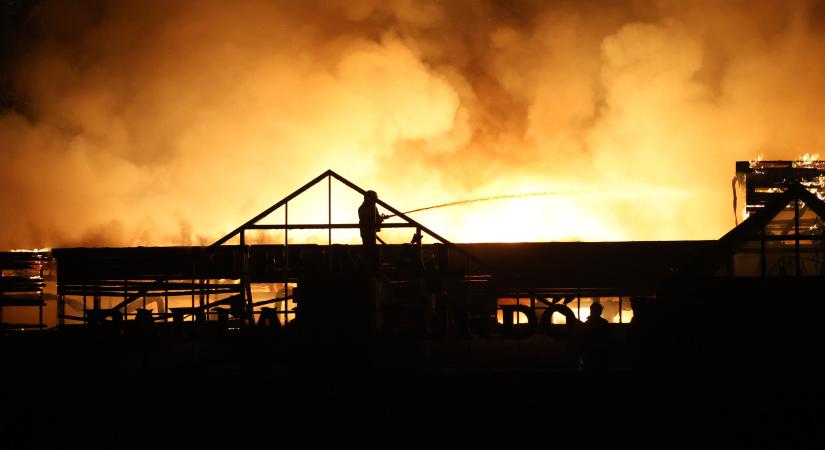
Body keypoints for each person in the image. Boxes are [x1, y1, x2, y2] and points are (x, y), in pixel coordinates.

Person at [581, 302, 610, 373]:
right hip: (600, 354)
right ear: (600, 312)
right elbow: (607, 338)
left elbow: (583, 339)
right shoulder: (604, 323)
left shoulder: (586, 324)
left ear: (591, 311)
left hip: (589, 354)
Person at [358, 190, 383, 271]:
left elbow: (375, 218)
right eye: (375, 197)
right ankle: (371, 268)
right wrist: (379, 219)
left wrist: (379, 219)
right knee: (369, 249)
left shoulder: (367, 207)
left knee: (370, 249)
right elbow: (369, 219)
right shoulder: (366, 207)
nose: (376, 199)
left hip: (368, 232)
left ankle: (370, 267)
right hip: (367, 232)